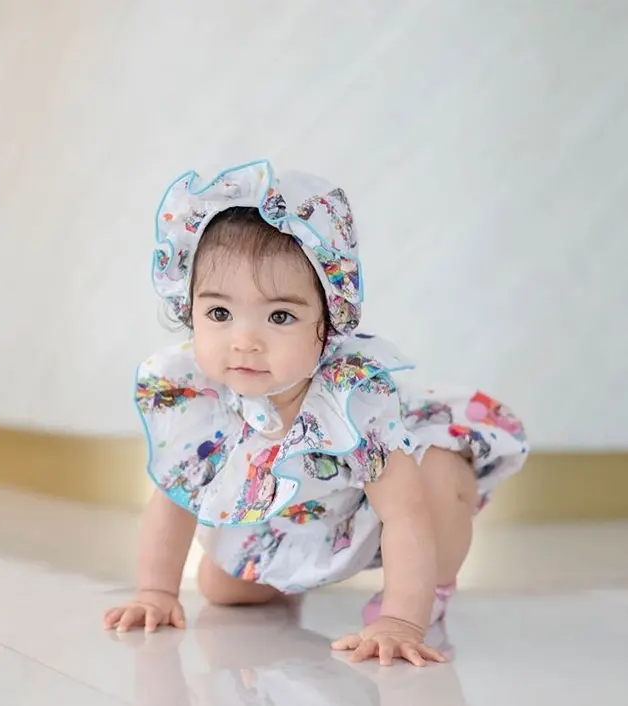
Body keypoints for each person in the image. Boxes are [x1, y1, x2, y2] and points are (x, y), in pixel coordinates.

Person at [103, 160, 529, 666]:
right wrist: (156, 592)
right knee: (223, 588)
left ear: (328, 323)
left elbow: (404, 514)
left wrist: (401, 620)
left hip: (374, 510)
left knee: (437, 475)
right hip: (293, 517)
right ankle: (293, 576)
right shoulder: (202, 398)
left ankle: (429, 592)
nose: (245, 340)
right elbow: (174, 500)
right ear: (188, 309)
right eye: (219, 313)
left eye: (280, 315)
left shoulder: (355, 402)